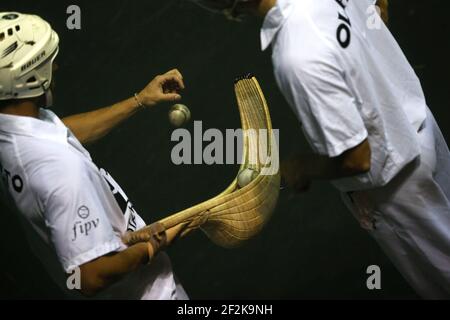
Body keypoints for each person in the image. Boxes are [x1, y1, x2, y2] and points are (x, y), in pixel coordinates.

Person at [189, 0, 450, 298]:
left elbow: (357, 159)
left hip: (399, 188)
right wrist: (361, 62)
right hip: (421, 128)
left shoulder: (296, 55)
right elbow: (379, 7)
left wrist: (300, 167)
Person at [0, 12, 188, 299]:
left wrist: (140, 100)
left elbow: (61, 132)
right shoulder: (61, 171)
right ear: (31, 78)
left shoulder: (12, 131)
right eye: (48, 64)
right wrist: (150, 247)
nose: (57, 67)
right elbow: (89, 276)